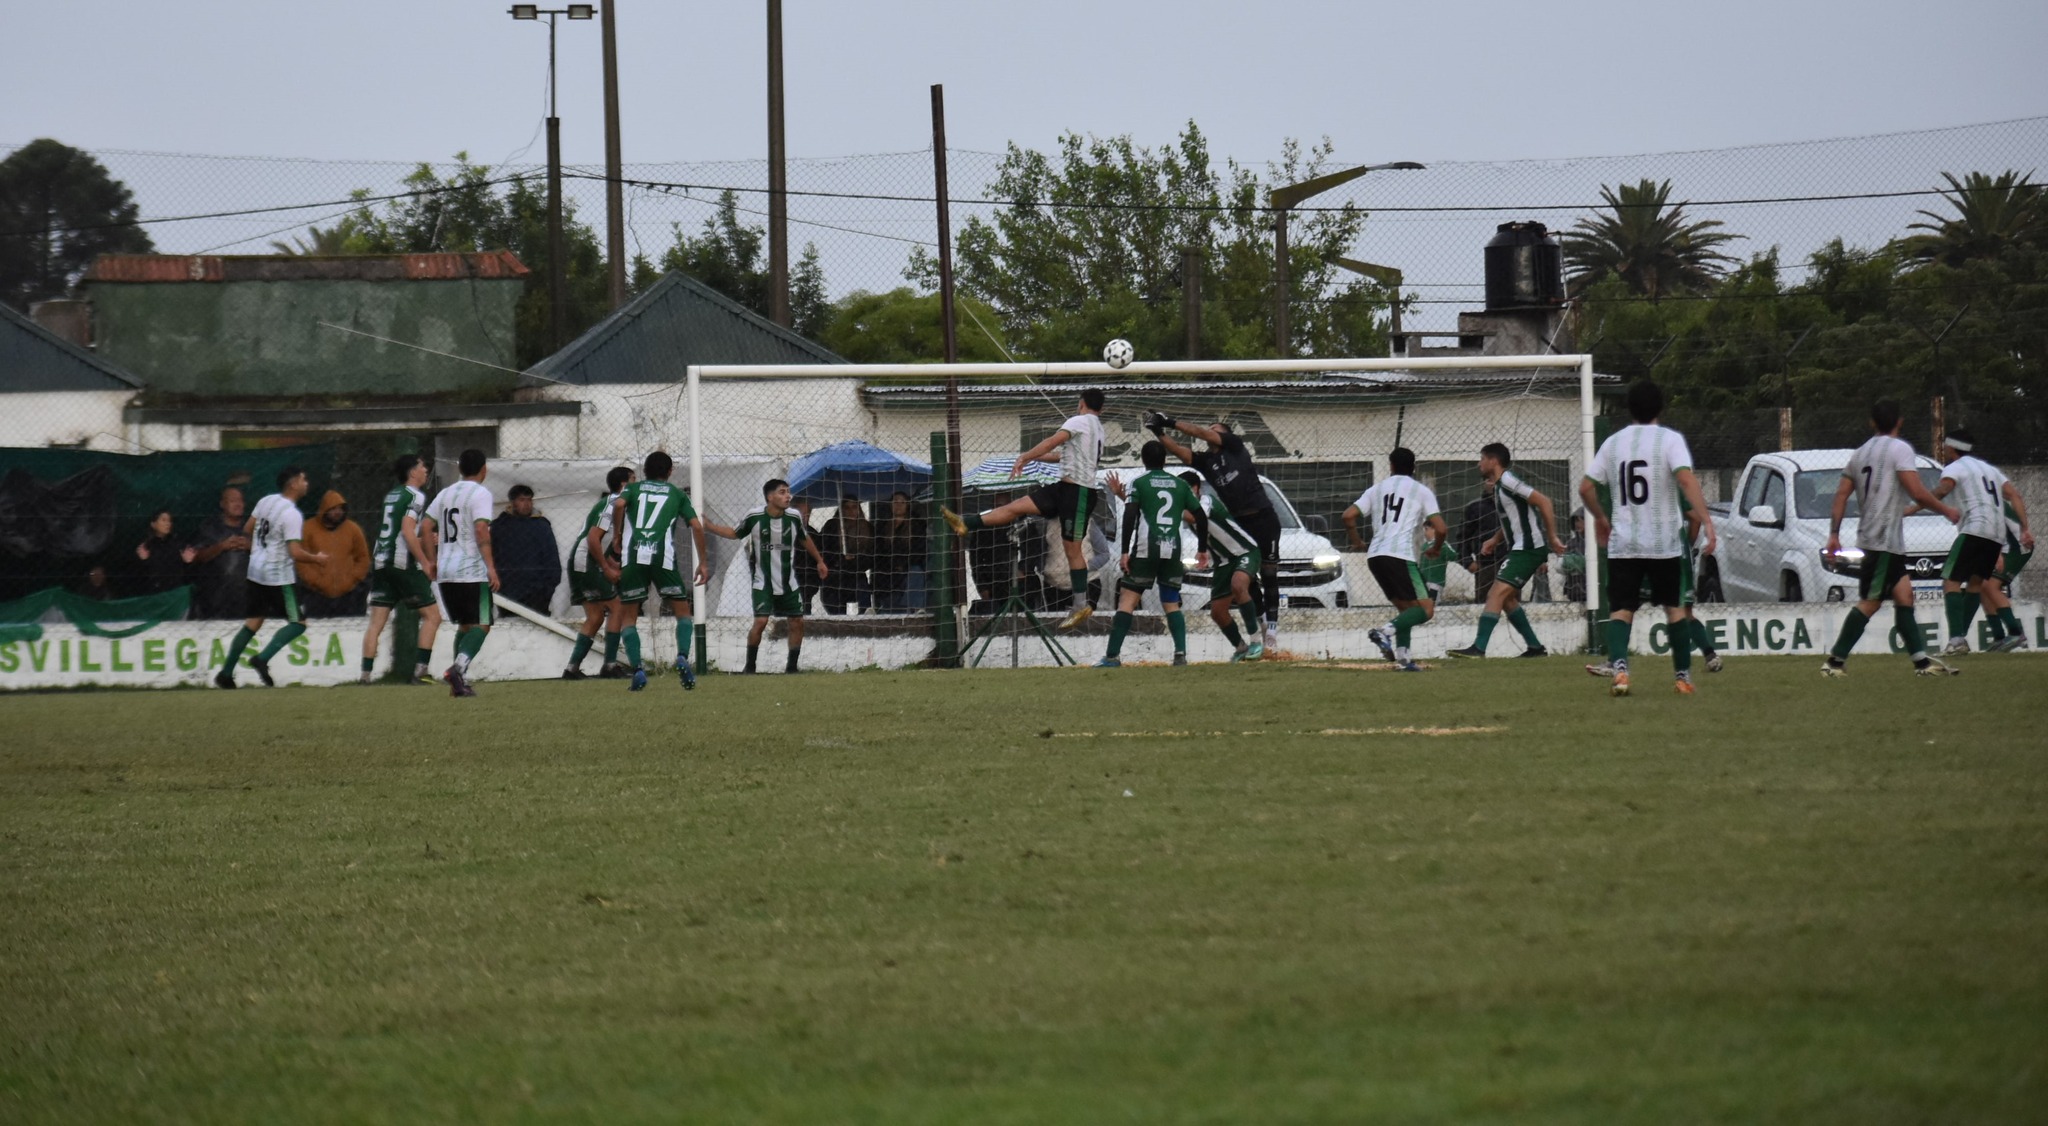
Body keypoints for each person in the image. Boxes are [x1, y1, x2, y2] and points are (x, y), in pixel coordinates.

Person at [1575, 383, 1717, 696]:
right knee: (1674, 609)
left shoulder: (1613, 443)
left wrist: (1600, 518)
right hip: (1663, 543)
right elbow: (1684, 478)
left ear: (1629, 409)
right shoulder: (1670, 439)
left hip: (1624, 543)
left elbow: (1585, 487)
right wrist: (1706, 520)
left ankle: (1620, 670)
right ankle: (1682, 678)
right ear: (1660, 408)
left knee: (1621, 610)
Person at [944, 390, 1116, 630]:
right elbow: (1063, 455)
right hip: (1063, 489)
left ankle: (1080, 605)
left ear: (1081, 403)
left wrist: (1026, 456)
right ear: (1102, 408)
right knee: (1016, 506)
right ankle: (966, 523)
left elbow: (1052, 441)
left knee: (1073, 551)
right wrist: (1036, 458)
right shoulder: (1097, 428)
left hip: (1078, 494)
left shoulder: (1079, 421)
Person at [1820, 400, 1960, 679]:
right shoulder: (1900, 449)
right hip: (1881, 539)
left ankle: (1921, 663)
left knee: (1905, 596)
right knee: (1871, 602)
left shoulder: (1859, 453)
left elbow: (1841, 494)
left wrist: (1834, 534)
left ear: (1872, 423)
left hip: (1882, 539)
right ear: (1900, 421)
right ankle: (1834, 663)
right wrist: (1946, 510)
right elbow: (1916, 492)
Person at [1146, 411, 1284, 652]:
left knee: (1269, 573)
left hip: (1263, 516)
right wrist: (1158, 432)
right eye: (1210, 430)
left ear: (1226, 436)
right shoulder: (1207, 461)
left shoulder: (1235, 447)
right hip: (1241, 522)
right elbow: (1179, 451)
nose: (1210, 433)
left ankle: (1272, 628)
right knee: (1247, 580)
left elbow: (1201, 432)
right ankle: (1260, 624)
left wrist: (1168, 421)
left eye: (1216, 430)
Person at [1445, 444, 1567, 659]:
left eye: (1482, 458)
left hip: (1528, 548)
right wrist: (1495, 539)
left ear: (1493, 461)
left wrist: (1552, 537)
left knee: (1495, 594)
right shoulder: (1501, 486)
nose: (1479, 464)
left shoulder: (1509, 480)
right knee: (1507, 599)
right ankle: (1535, 647)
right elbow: (1514, 519)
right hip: (1522, 548)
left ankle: (1478, 648)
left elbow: (1544, 502)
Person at [603, 451, 711, 691]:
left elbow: (619, 504)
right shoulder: (677, 494)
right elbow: (696, 526)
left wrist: (618, 535)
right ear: (670, 472)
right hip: (663, 557)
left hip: (634, 556)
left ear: (645, 471)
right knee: (683, 612)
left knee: (629, 617)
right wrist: (703, 562)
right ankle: (682, 656)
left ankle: (638, 669)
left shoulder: (633, 489)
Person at [214, 466, 327, 689]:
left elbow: (248, 528)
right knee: (298, 624)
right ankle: (262, 658)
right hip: (278, 576)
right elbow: (295, 553)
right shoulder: (292, 514)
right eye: (303, 479)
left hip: (256, 571)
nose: (306, 483)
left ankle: (225, 674)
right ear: (293, 484)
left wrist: (260, 548)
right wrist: (317, 559)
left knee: (253, 622)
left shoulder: (266, 501)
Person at [1586, 496, 1723, 678]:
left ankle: (1616, 662)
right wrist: (1686, 543)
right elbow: (1695, 518)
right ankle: (1709, 656)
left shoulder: (1655, 486)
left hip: (1649, 551)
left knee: (1625, 608)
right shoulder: (1675, 486)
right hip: (1678, 553)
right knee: (1682, 610)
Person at [1924, 428, 2033, 654]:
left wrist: (1917, 502)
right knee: (1978, 584)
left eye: (1945, 445)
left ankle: (2014, 633)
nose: (1943, 449)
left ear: (1951, 447)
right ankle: (1997, 636)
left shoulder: (1960, 474)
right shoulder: (1987, 473)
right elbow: (2012, 497)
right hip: (1998, 539)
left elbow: (1943, 491)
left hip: (2013, 545)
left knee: (1983, 585)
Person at [1095, 441, 1204, 668]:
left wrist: (1125, 551)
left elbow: (1130, 515)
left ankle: (1112, 657)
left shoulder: (1139, 483)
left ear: (1143, 460)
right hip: (1172, 548)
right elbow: (1200, 516)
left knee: (1127, 600)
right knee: (1171, 603)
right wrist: (1202, 548)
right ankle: (1180, 654)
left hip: (1147, 547)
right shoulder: (1180, 485)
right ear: (1164, 460)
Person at [704, 478, 829, 674]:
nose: (788, 496)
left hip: (788, 584)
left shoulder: (794, 517)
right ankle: (750, 666)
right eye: (782, 492)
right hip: (763, 583)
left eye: (788, 492)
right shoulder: (755, 516)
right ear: (770, 497)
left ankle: (792, 667)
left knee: (797, 622)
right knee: (761, 622)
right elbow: (735, 533)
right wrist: (710, 526)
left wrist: (820, 561)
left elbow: (805, 538)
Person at [1345, 447, 1449, 672]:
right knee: (1426, 609)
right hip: (1400, 555)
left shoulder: (1376, 489)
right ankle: (1384, 632)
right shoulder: (1421, 491)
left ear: (1391, 466)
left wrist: (1357, 542)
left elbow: (1348, 516)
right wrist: (1436, 548)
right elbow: (1441, 528)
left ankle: (1404, 659)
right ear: (1414, 468)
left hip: (1375, 556)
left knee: (1407, 609)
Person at [422, 448, 500, 697]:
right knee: (483, 624)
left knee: (465, 626)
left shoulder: (445, 493)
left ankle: (458, 683)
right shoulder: (480, 493)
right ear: (484, 469)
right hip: (471, 571)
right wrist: (491, 567)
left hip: (446, 571)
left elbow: (425, 525)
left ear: (459, 468)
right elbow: (481, 530)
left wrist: (431, 561)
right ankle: (457, 669)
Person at [362, 454, 441, 685]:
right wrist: (425, 562)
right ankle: (420, 672)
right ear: (412, 472)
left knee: (376, 623)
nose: (425, 470)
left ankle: (365, 677)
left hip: (380, 561)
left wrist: (421, 538)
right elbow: (407, 531)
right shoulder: (415, 495)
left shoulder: (392, 495)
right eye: (422, 466)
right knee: (432, 616)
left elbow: (397, 530)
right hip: (401, 563)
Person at [1183, 471, 1265, 661]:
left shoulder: (1206, 501)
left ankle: (1256, 641)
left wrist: (1176, 507)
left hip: (1245, 551)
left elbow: (1197, 518)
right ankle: (1241, 648)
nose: (1184, 494)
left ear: (1197, 489)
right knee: (1218, 612)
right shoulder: (1187, 511)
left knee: (1238, 585)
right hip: (1223, 562)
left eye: (1187, 490)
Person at [564, 465, 634, 679]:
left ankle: (572, 669)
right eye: (633, 480)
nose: (636, 485)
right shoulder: (613, 503)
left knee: (595, 617)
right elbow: (593, 538)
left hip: (583, 561)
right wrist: (605, 568)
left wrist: (610, 563)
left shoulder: (614, 504)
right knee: (617, 607)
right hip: (586, 561)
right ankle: (610, 665)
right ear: (623, 484)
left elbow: (601, 541)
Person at [298, 489, 370, 617]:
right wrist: (316, 580)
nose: (338, 512)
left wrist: (352, 579)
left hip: (348, 594)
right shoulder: (308, 529)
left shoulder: (353, 529)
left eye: (341, 508)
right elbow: (301, 560)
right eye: (333, 508)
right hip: (317, 594)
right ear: (324, 509)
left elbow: (363, 558)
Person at [492, 484, 563, 611]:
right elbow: (493, 556)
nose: (527, 504)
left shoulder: (541, 526)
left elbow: (552, 557)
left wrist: (548, 587)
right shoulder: (500, 527)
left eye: (529, 500)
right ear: (512, 502)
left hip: (538, 592)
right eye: (522, 500)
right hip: (508, 591)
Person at [189, 485, 251, 619]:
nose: (238, 504)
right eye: (233, 500)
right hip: (215, 602)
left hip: (247, 602)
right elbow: (198, 557)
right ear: (222, 504)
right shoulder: (209, 527)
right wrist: (221, 546)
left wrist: (250, 546)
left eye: (240, 500)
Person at [1985, 493, 2036, 651]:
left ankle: (2016, 633)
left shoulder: (1985, 499)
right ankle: (1999, 637)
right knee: (1982, 586)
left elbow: (1996, 527)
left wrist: (1997, 553)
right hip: (2004, 547)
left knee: (1991, 586)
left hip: (2017, 548)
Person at [871, 491, 927, 611]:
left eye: (902, 502)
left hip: (908, 568)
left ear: (908, 505)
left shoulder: (916, 526)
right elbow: (878, 552)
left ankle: (912, 609)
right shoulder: (882, 526)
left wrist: (903, 565)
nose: (898, 505)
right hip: (887, 571)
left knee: (916, 572)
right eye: (895, 502)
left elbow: (919, 551)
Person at [817, 495, 872, 615]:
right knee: (835, 607)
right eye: (847, 507)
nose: (851, 511)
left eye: (854, 507)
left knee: (863, 592)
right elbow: (824, 550)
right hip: (835, 576)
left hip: (856, 574)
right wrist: (841, 559)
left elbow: (870, 556)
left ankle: (864, 617)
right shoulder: (832, 526)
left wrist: (854, 561)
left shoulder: (866, 528)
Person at [134, 508, 196, 597]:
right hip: (154, 593)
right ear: (153, 524)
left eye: (169, 521)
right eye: (163, 520)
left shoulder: (178, 544)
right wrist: (144, 560)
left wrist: (187, 562)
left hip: (175, 592)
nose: (168, 523)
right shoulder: (146, 546)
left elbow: (188, 573)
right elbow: (141, 575)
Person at [1456, 484, 1500, 602]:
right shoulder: (1475, 507)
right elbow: (1463, 537)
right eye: (1488, 479)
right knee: (1486, 603)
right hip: (1486, 565)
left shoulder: (1513, 505)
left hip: (1511, 564)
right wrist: (1467, 561)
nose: (1492, 483)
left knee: (1512, 603)